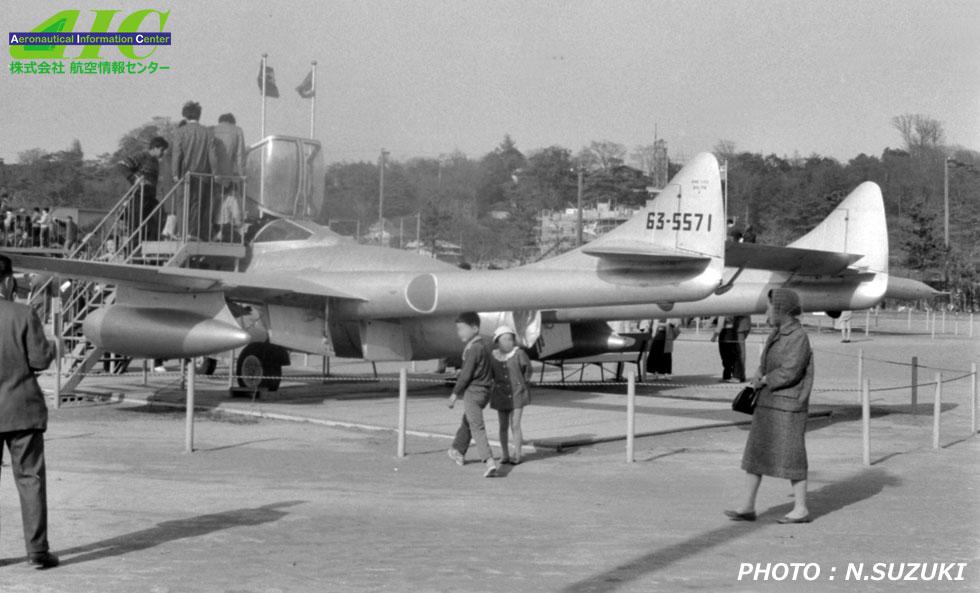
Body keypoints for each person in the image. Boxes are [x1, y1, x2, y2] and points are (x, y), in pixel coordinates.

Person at [726, 288, 814, 524]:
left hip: (786, 406)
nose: (766, 311)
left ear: (781, 309)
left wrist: (764, 380)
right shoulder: (777, 333)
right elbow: (767, 363)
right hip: (768, 403)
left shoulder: (798, 337)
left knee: (792, 457)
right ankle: (747, 506)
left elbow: (791, 371)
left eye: (770, 306)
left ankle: (801, 508)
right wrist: (758, 374)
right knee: (755, 455)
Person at [0, 255, 59, 568]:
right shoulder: (24, 314)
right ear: (8, 281)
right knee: (30, 479)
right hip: (22, 410)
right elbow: (39, 360)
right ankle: (37, 551)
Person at [447, 311, 499, 477]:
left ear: (474, 328)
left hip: (473, 392)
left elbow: (467, 374)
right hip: (485, 392)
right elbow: (483, 368)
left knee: (477, 426)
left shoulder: (473, 348)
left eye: (462, 329)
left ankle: (489, 461)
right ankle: (458, 451)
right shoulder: (484, 345)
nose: (459, 333)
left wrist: (455, 394)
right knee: (468, 420)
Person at [171, 101, 218, 240]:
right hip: (202, 174)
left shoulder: (180, 132)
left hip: (184, 175)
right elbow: (212, 156)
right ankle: (193, 232)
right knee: (196, 205)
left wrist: (175, 173)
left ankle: (182, 232)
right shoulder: (208, 133)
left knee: (182, 204)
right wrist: (214, 173)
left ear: (185, 115)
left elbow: (177, 154)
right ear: (199, 115)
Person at [489, 326, 532, 465]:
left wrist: (522, 383)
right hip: (500, 394)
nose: (507, 342)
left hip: (517, 393)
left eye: (510, 339)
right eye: (504, 339)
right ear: (497, 341)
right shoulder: (493, 356)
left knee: (515, 424)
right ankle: (505, 454)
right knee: (503, 426)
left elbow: (528, 370)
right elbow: (489, 373)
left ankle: (518, 454)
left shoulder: (519, 353)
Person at [211, 113, 246, 177]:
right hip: (230, 175)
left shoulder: (211, 130)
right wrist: (242, 175)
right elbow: (240, 156)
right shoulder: (238, 130)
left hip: (211, 176)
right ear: (233, 123)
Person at [711, 316, 744, 383]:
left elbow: (720, 326)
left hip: (725, 334)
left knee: (726, 356)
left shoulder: (723, 312)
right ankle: (732, 376)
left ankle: (732, 376)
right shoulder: (732, 312)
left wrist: (714, 337)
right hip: (732, 333)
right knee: (734, 355)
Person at [735, 315, 753, 383]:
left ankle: (740, 375)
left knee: (740, 351)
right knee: (740, 351)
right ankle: (740, 374)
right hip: (744, 325)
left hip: (740, 326)